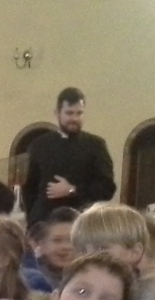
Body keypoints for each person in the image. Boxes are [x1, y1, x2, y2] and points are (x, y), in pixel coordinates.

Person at [21, 87, 117, 224]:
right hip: (44, 221)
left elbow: (107, 188)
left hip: (81, 222)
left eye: (79, 113)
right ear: (57, 113)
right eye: (69, 113)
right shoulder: (39, 145)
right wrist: (32, 219)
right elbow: (29, 188)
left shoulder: (96, 145)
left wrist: (73, 190)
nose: (74, 119)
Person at [22, 208, 78, 292]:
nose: (65, 247)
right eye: (57, 240)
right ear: (41, 244)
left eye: (72, 240)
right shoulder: (32, 281)